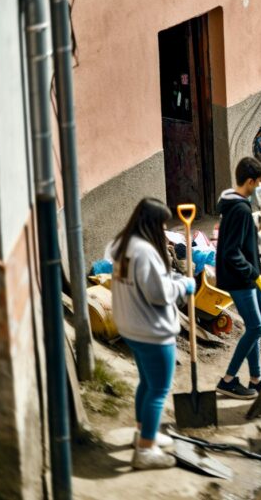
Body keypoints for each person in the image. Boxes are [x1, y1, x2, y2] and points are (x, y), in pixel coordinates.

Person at [111, 198, 195, 470]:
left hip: (131, 326)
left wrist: (173, 280)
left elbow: (144, 282)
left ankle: (142, 433)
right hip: (152, 331)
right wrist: (185, 286)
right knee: (158, 389)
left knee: (146, 384)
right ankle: (146, 451)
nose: (163, 229)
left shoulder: (123, 245)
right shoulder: (145, 252)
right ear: (151, 223)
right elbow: (158, 294)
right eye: (161, 223)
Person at [216, 157, 261, 400]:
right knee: (256, 327)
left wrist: (259, 240)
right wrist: (255, 276)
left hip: (250, 274)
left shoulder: (238, 204)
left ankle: (256, 379)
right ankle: (228, 380)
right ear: (250, 182)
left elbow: (240, 241)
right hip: (239, 278)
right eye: (259, 181)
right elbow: (231, 251)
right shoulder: (239, 209)